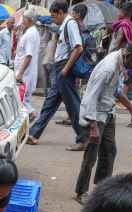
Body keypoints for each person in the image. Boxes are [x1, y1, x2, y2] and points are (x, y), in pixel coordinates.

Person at [75, 39, 132, 202]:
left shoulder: (120, 62)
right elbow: (90, 96)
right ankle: (81, 192)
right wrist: (93, 126)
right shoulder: (108, 68)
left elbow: (116, 91)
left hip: (108, 112)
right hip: (96, 115)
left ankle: (102, 189)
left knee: (109, 152)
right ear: (130, 55)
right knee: (91, 156)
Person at [27, 1, 87, 151]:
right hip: (60, 68)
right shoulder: (64, 25)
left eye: (54, 16)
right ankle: (34, 134)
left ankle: (84, 138)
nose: (54, 19)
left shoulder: (70, 24)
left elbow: (78, 48)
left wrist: (65, 69)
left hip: (64, 68)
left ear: (61, 12)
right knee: (50, 103)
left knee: (73, 105)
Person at [107, 2, 132, 126]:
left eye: (119, 11)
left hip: (116, 60)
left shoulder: (123, 26)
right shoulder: (130, 26)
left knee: (116, 90)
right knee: (115, 89)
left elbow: (117, 44)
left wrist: (108, 58)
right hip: (119, 60)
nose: (117, 13)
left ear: (124, 12)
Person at [14, 8, 42, 116]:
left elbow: (28, 56)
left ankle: (31, 114)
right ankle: (30, 116)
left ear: (29, 20)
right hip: (27, 73)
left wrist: (20, 73)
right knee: (23, 100)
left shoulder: (30, 34)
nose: (22, 21)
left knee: (21, 101)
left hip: (25, 74)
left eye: (24, 19)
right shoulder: (32, 32)